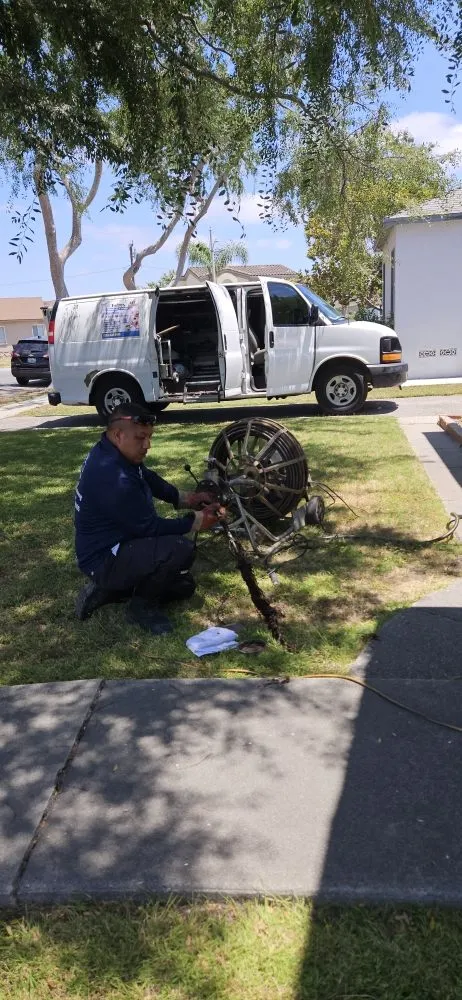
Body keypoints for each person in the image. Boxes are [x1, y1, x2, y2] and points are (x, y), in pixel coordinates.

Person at [74, 403, 222, 634]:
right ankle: (140, 608)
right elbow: (149, 528)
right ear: (118, 434)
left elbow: (148, 477)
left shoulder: (111, 451)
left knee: (184, 587)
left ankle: (111, 591)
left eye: (150, 437)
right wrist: (196, 521)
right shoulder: (112, 476)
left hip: (116, 543)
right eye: (141, 438)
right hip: (103, 558)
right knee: (180, 549)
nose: (147, 445)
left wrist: (188, 498)